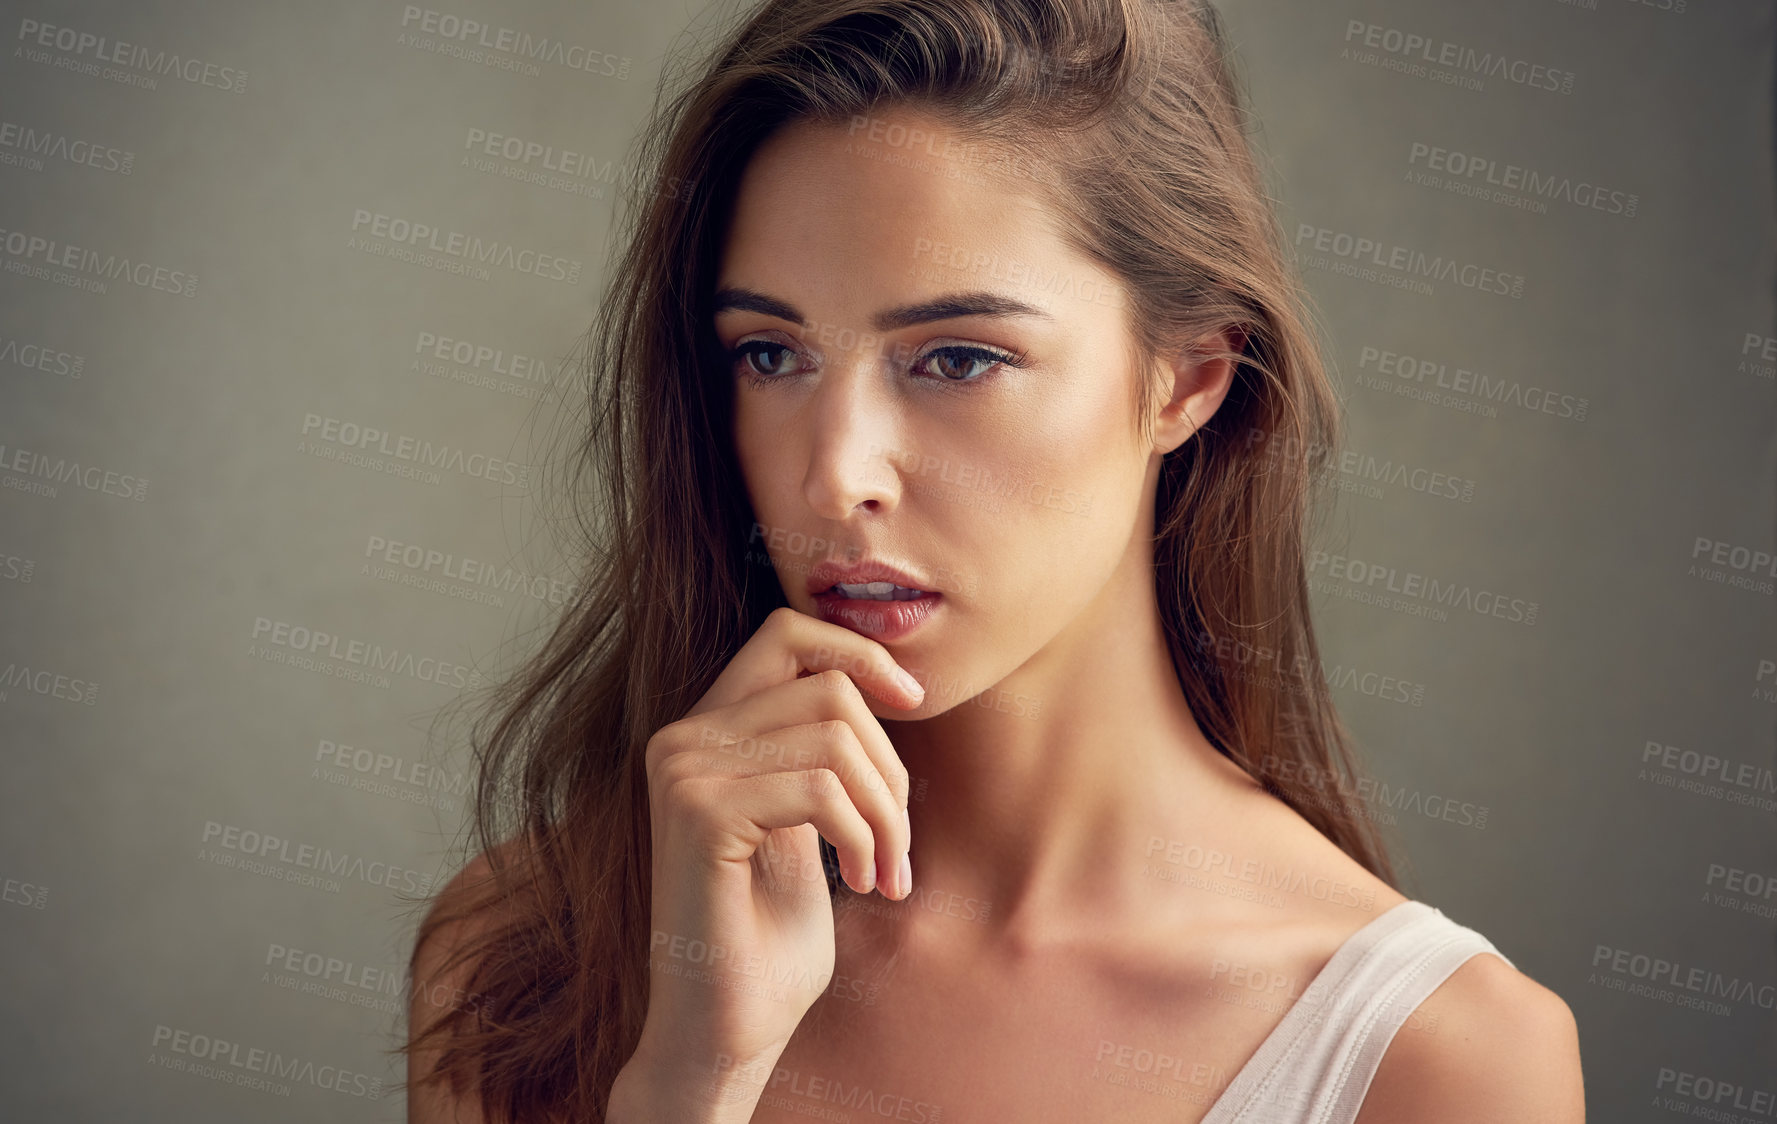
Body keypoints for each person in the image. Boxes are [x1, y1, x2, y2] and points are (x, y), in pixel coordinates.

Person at [398, 0, 1586, 1121]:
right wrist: (688, 1081)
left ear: (1188, 378)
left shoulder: (1440, 1061)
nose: (833, 477)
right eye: (771, 354)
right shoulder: (526, 956)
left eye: (956, 358)